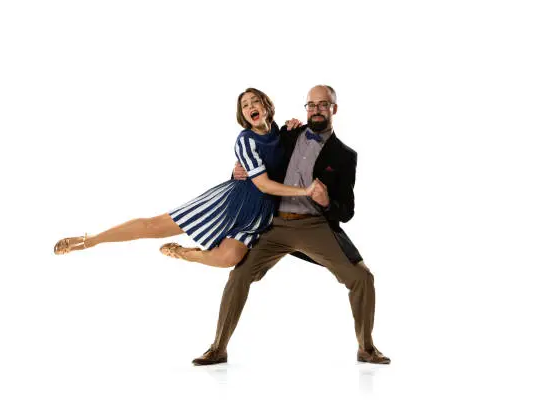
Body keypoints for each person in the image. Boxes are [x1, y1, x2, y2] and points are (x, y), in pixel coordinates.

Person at [191, 85, 391, 365]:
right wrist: (238, 172)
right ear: (305, 108)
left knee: (362, 278)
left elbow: (346, 211)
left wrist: (325, 201)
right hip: (274, 225)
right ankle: (218, 348)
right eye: (311, 105)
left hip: (314, 226)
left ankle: (366, 348)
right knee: (239, 276)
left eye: (323, 105)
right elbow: (258, 162)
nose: (317, 109)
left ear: (334, 108)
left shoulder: (345, 155)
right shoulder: (286, 134)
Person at [53, 88, 320, 269]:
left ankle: (185, 253)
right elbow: (260, 182)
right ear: (243, 115)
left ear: (266, 105)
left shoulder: (282, 131)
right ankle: (90, 240)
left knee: (230, 257)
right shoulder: (245, 140)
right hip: (230, 202)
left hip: (259, 214)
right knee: (153, 227)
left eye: (255, 101)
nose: (251, 106)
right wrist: (304, 191)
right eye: (245, 105)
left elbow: (289, 156)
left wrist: (293, 129)